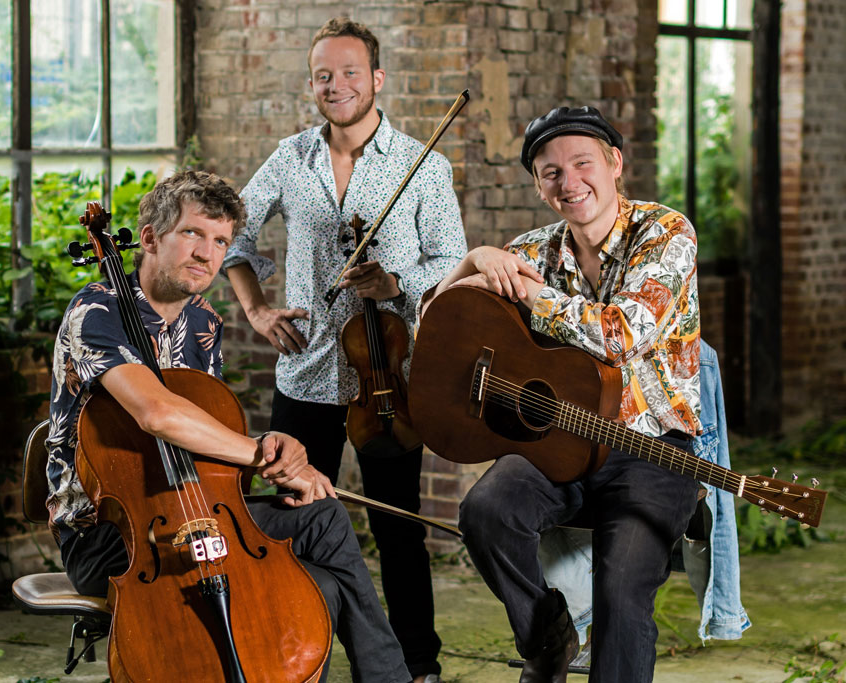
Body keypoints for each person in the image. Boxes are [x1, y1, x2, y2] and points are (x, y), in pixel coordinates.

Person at [45, 170, 412, 683]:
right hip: (114, 535)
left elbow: (203, 431)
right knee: (316, 592)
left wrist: (270, 446)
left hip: (190, 508)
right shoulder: (95, 310)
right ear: (150, 238)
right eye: (192, 233)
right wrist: (255, 453)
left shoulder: (202, 321)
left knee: (324, 521)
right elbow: (160, 415)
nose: (207, 253)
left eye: (220, 241)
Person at [223, 17, 468, 683]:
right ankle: (289, 650)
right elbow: (230, 237)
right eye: (324, 75)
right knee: (290, 517)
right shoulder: (290, 158)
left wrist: (396, 282)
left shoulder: (423, 165)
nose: (337, 85)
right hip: (304, 373)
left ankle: (418, 663)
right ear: (312, 83)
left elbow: (452, 268)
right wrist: (256, 307)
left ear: (377, 79)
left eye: (350, 72)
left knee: (399, 530)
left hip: (385, 379)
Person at [423, 106, 703, 682]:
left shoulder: (666, 231)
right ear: (538, 185)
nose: (569, 182)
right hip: (564, 441)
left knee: (621, 589)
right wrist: (473, 260)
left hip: (653, 451)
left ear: (614, 164)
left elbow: (618, 335)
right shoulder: (535, 249)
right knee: (486, 510)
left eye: (582, 164)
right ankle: (547, 637)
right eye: (550, 172)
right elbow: (438, 322)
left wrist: (529, 298)